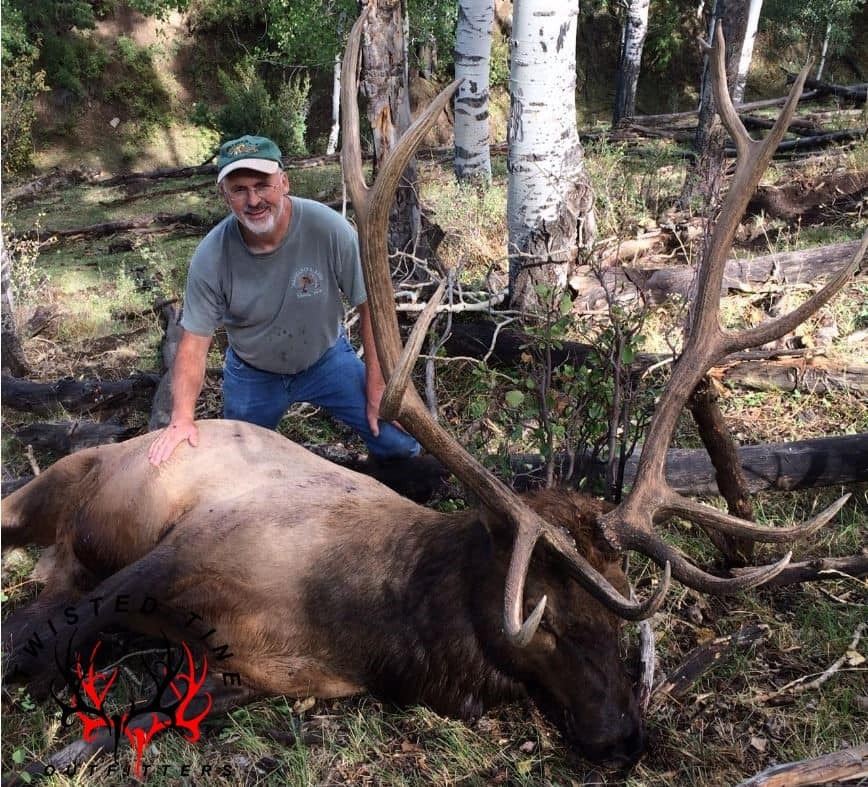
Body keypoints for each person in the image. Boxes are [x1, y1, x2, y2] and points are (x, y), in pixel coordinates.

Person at [148, 134, 421, 466]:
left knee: (399, 445)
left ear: (284, 182)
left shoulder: (328, 229)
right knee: (238, 471)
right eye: (239, 189)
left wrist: (377, 388)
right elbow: (192, 344)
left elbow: (373, 309)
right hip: (254, 373)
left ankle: (385, 492)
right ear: (225, 197)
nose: (253, 200)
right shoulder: (212, 255)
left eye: (262, 185)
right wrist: (181, 418)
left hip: (327, 360)